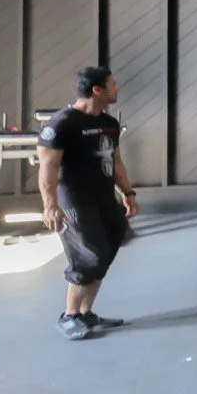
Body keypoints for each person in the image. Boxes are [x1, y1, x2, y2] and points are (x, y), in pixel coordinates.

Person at [38, 66, 138, 340]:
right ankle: (69, 315)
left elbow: (116, 161)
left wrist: (128, 193)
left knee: (105, 253)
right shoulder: (61, 123)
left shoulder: (109, 123)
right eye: (112, 84)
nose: (117, 88)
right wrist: (50, 205)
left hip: (104, 196)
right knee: (89, 255)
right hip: (75, 200)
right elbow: (47, 167)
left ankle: (86, 313)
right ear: (97, 89)